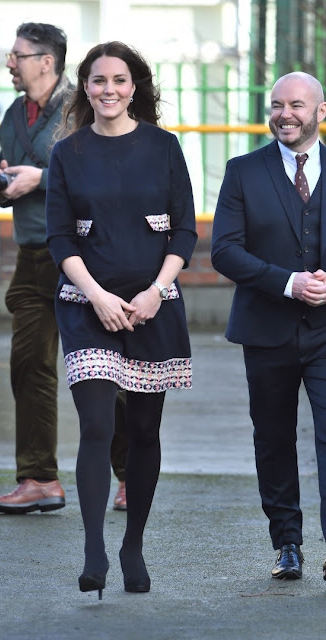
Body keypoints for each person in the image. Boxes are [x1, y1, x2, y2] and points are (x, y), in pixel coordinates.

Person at [46, 41, 197, 598]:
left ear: (135, 87)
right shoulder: (68, 153)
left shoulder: (164, 147)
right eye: (97, 80)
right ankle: (94, 550)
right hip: (87, 307)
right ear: (84, 87)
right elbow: (59, 237)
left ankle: (133, 544)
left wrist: (159, 289)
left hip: (153, 307)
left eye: (119, 80)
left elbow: (184, 230)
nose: (108, 89)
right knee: (96, 425)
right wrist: (99, 296)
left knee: (144, 431)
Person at [0, 22, 128, 515]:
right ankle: (39, 478)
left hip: (83, 258)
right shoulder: (11, 116)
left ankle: (130, 472)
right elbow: (11, 179)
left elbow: (101, 176)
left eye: (18, 55)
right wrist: (3, 185)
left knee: (101, 371)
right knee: (30, 365)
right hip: (30, 258)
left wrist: (39, 178)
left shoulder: (82, 111)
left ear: (47, 61)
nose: (10, 63)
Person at [211, 71, 326, 582]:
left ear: (320, 112)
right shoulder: (242, 171)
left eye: (297, 105)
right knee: (274, 440)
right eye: (277, 105)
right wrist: (288, 283)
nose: (285, 114)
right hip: (266, 330)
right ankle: (287, 545)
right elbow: (224, 251)